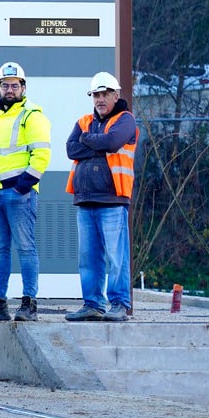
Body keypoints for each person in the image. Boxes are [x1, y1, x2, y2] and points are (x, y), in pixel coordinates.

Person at [0, 61, 51, 321]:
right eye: (5, 85)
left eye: (15, 85)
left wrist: (23, 185)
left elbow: (42, 154)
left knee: (26, 248)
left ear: (23, 87)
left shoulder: (32, 115)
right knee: (0, 250)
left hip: (18, 194)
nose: (9, 90)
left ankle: (29, 304)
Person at [66, 72, 139, 323]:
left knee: (116, 257)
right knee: (88, 258)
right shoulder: (84, 120)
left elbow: (112, 141)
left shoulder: (125, 120)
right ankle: (92, 304)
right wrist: (97, 143)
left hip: (112, 199)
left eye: (104, 94)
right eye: (95, 95)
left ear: (116, 95)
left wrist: (89, 140)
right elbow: (70, 148)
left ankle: (119, 304)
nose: (99, 99)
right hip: (85, 199)